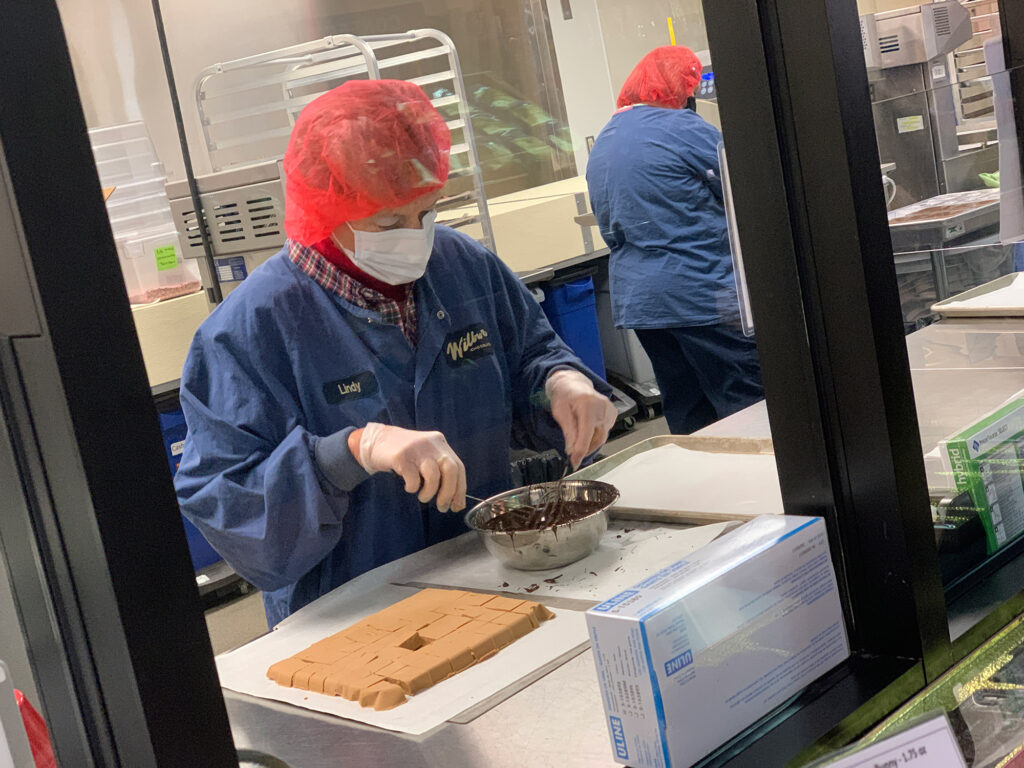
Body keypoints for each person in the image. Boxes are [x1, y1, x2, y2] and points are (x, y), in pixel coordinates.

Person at [174, 80, 616, 625]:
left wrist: (560, 386)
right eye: (387, 222)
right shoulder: (250, 331)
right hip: (352, 611)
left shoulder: (461, 266)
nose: (414, 237)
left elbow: (528, 355)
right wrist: (352, 451)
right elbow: (227, 501)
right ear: (325, 209)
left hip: (489, 577)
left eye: (427, 212)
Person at [586, 46, 764, 434]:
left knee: (688, 411)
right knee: (747, 407)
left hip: (644, 305)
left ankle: (704, 491)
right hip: (702, 296)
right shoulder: (685, 128)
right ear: (681, 89)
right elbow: (745, 194)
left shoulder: (607, 138)